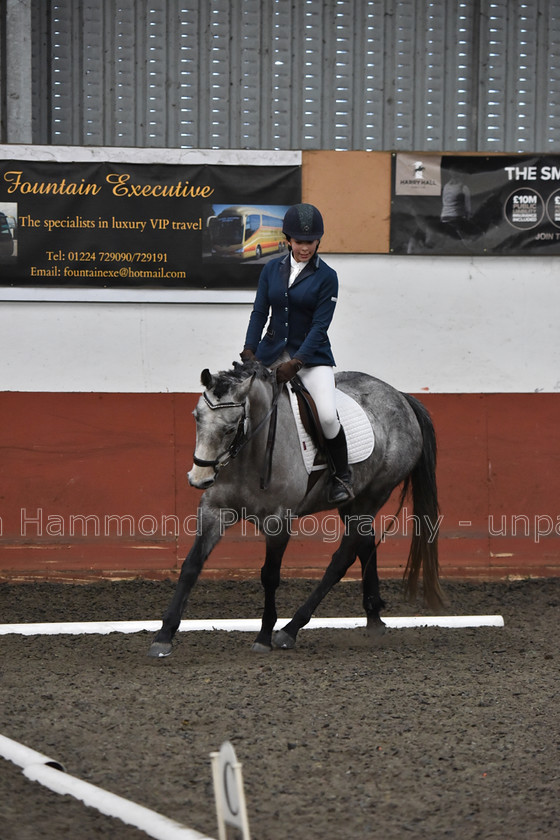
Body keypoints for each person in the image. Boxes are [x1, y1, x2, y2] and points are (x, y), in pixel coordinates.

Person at [240, 203, 353, 504]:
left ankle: (341, 475)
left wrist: (297, 362)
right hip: (271, 352)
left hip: (312, 359)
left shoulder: (327, 276)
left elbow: (320, 327)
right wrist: (250, 348)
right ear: (288, 239)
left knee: (328, 417)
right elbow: (260, 312)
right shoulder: (270, 270)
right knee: (242, 401)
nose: (305, 247)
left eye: (311, 241)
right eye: (300, 241)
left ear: (318, 241)